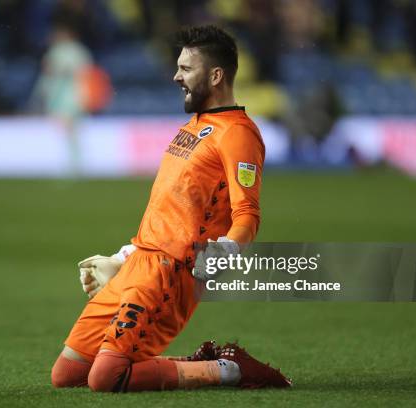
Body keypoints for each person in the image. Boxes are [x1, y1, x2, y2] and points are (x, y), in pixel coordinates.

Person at [51, 25, 291, 392]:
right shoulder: (193, 126)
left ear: (215, 75)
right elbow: (168, 208)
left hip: (170, 274)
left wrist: (224, 251)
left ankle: (230, 370)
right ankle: (206, 362)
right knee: (66, 374)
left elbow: (247, 215)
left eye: (186, 68)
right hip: (141, 262)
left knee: (107, 378)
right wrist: (124, 256)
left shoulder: (238, 134)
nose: (176, 76)